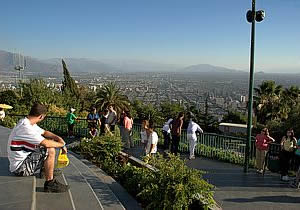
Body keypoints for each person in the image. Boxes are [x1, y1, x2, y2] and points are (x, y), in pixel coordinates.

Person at [7, 103, 69, 193]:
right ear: (41, 116)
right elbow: (46, 144)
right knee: (50, 149)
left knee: (49, 141)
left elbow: (45, 133)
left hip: (22, 161)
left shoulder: (27, 122)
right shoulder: (26, 128)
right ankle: (49, 183)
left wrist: (59, 138)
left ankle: (45, 170)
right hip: (20, 169)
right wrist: (62, 145)